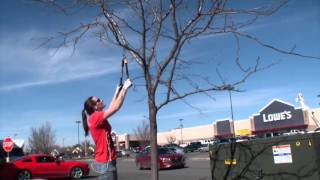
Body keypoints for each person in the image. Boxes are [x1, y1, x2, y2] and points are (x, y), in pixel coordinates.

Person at [81, 79, 132, 179]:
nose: (102, 100)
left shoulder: (97, 117)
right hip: (106, 162)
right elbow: (115, 107)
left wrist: (117, 91)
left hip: (107, 161)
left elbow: (111, 107)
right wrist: (125, 88)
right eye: (98, 100)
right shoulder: (95, 117)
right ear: (95, 107)